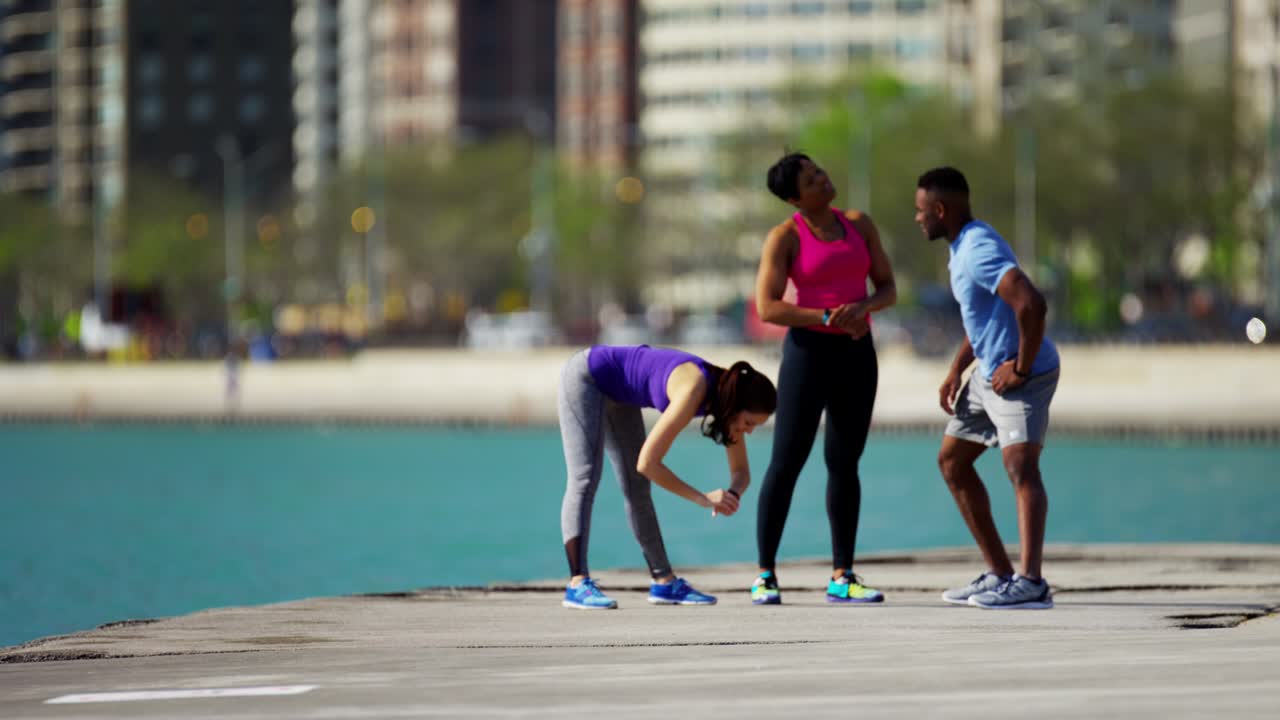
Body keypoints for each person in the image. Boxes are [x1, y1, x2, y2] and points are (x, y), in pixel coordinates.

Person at [751, 153, 898, 605]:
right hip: (806, 355)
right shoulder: (785, 237)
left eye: (821, 172)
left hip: (856, 354)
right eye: (813, 180)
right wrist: (827, 315)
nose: (824, 179)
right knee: (786, 462)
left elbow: (888, 288)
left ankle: (843, 575)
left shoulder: (859, 224)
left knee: (844, 462)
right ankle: (766, 575)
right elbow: (768, 306)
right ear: (795, 197)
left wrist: (864, 309)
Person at [914, 166, 1060, 610]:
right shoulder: (961, 247)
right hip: (987, 375)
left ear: (941, 210)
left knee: (1021, 469)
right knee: (953, 463)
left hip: (1022, 376)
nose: (917, 219)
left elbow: (1031, 303)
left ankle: (1032, 584)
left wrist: (1020, 367)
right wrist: (956, 370)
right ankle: (999, 573)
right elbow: (982, 320)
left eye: (921, 211)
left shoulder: (977, 249)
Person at [558, 344, 778, 609]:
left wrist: (731, 494)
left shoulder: (729, 403)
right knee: (585, 477)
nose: (749, 431)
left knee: (637, 488)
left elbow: (741, 472)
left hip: (620, 393)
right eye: (749, 423)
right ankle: (577, 583)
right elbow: (648, 463)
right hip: (587, 376)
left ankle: (664, 582)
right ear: (737, 405)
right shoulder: (694, 389)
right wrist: (703, 498)